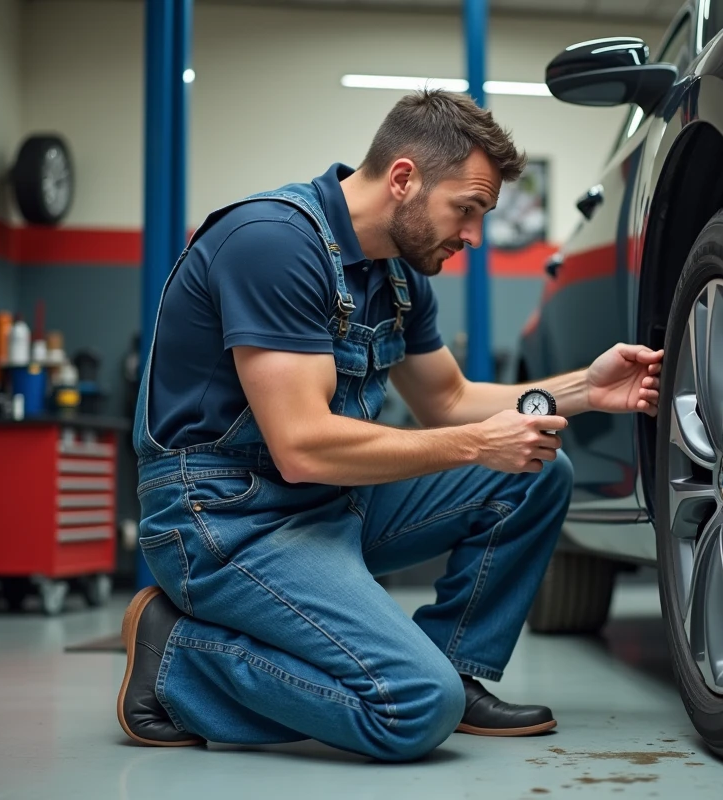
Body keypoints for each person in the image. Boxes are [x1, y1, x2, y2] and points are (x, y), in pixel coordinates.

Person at [116, 89, 664, 762]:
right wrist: (474, 445)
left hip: (325, 506)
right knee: (411, 711)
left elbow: (451, 399)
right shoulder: (273, 243)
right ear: (404, 178)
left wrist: (585, 388)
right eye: (466, 210)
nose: (471, 235)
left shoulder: (397, 276)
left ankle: (449, 669)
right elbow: (301, 447)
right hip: (227, 520)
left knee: (535, 472)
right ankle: (179, 656)